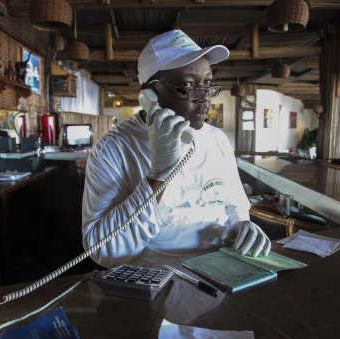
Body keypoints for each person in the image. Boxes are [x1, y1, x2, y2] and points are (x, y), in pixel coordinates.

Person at [82, 29, 270, 268]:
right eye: (187, 86)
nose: (203, 98)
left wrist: (240, 225)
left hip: (220, 268)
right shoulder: (112, 148)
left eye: (207, 84)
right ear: (149, 95)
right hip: (156, 277)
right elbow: (104, 252)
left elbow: (235, 205)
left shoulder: (217, 140)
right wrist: (159, 174)